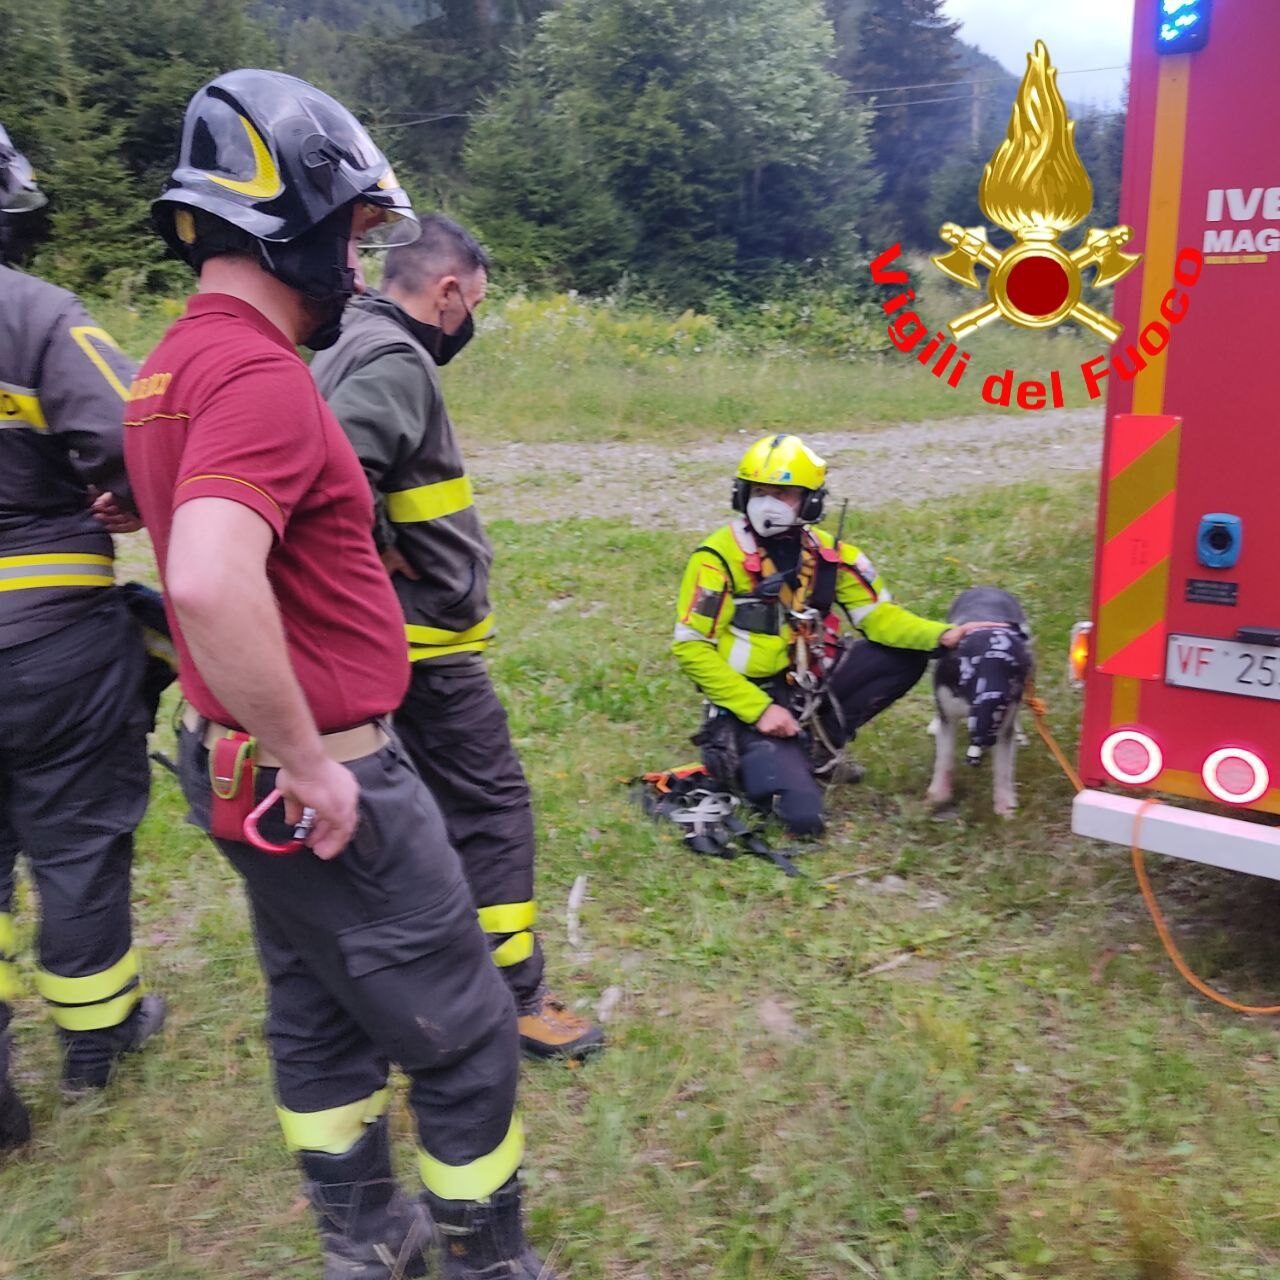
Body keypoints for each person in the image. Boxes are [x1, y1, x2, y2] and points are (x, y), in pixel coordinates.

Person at [123, 71, 556, 1278]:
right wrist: (313, 758)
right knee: (466, 1033)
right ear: (295, 216)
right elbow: (209, 577)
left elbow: (183, 523)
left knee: (317, 1013)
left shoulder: (170, 368)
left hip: (227, 765)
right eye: (355, 235)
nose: (362, 269)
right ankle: (485, 1259)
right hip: (318, 773)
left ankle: (369, 1243)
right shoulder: (261, 373)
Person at [311, 215, 604, 1061]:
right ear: (446, 292)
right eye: (471, 302)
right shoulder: (396, 357)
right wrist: (381, 560)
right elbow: (336, 474)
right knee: (491, 808)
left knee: (405, 815)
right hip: (422, 648)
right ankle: (513, 998)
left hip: (384, 646)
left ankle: (399, 985)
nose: (469, 318)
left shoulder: (347, 337)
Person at [0, 123, 166, 1148]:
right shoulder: (34, 315)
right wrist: (118, 494)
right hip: (49, 639)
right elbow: (139, 432)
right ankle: (98, 1046)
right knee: (77, 839)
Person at [673, 433, 1000, 837]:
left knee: (904, 653)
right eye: (759, 490)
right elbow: (691, 647)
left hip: (807, 685)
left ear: (810, 501)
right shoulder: (717, 559)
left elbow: (881, 618)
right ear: (742, 493)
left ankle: (818, 746)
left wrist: (946, 635)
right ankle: (762, 753)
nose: (768, 503)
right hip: (749, 702)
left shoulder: (832, 556)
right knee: (802, 819)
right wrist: (759, 710)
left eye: (784, 493)